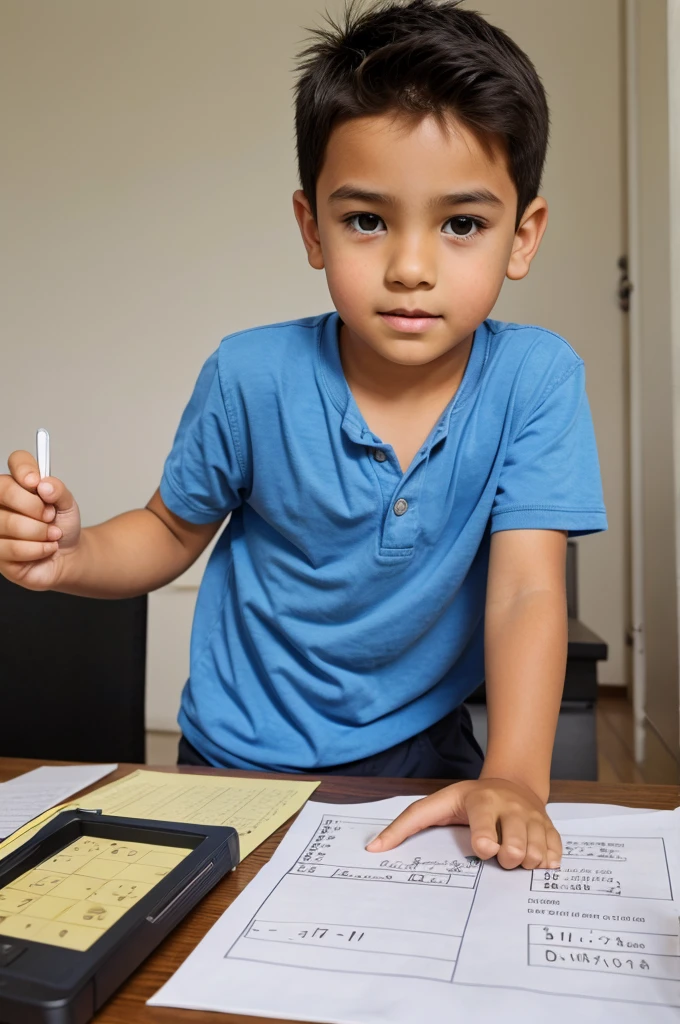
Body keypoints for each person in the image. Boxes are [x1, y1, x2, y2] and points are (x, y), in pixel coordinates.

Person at [0, 0, 606, 871]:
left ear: (524, 235)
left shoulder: (535, 380)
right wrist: (73, 553)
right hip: (233, 754)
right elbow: (172, 530)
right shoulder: (250, 375)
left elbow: (525, 594)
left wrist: (514, 773)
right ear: (310, 226)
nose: (409, 265)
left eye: (462, 223)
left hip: (422, 750)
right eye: (367, 220)